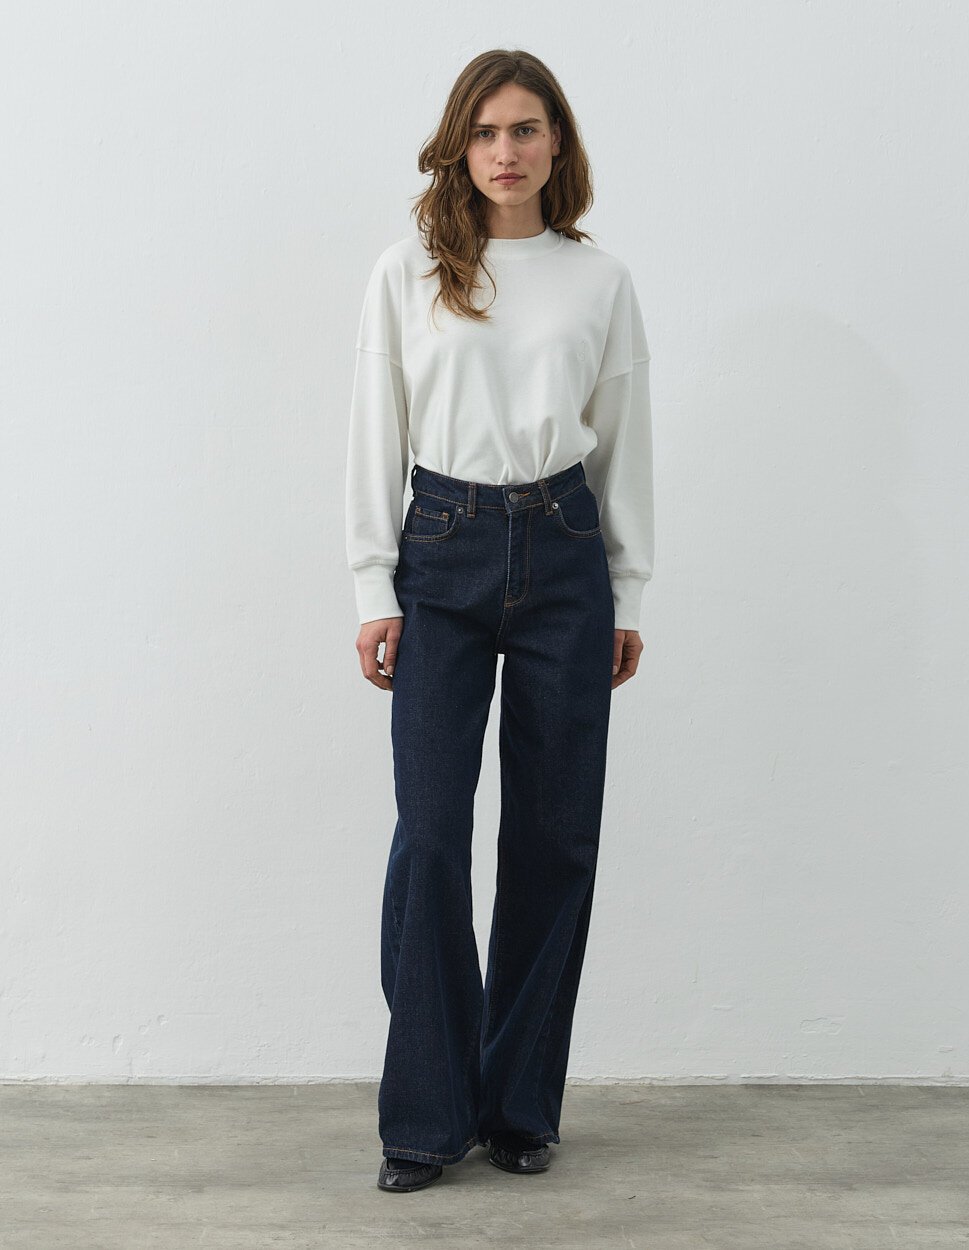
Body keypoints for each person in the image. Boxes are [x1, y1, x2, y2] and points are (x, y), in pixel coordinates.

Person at [345, 49, 654, 1193]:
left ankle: (520, 1103)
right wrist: (373, 587)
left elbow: (624, 437)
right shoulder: (410, 269)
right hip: (441, 547)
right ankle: (427, 1113)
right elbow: (374, 429)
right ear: (458, 146)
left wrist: (627, 589)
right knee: (431, 833)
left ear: (556, 142)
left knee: (552, 836)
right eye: (484, 132)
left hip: (565, 550)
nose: (505, 151)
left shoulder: (597, 278)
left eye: (525, 129)